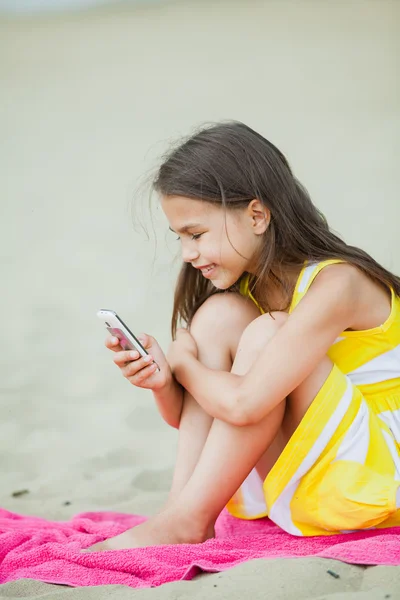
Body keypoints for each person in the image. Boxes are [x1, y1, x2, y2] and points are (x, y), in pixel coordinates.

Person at [86, 121, 400, 551]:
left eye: (196, 235)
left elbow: (245, 404)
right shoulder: (245, 294)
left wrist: (185, 363)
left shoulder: (338, 285)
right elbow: (206, 420)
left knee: (268, 331)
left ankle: (188, 518)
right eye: (179, 238)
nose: (188, 254)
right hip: (309, 470)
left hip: (375, 473)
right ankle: (182, 510)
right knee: (218, 316)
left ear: (257, 215)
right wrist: (164, 383)